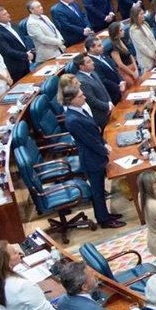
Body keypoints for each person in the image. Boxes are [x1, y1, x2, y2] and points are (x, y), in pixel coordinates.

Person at [64, 85, 122, 227]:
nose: (84, 97)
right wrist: (104, 150)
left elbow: (95, 130)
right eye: (80, 96)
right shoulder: (72, 120)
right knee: (97, 192)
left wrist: (104, 143)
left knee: (100, 190)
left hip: (96, 154)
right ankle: (104, 220)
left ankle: (105, 215)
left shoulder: (81, 109)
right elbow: (89, 140)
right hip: (91, 158)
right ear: (71, 100)